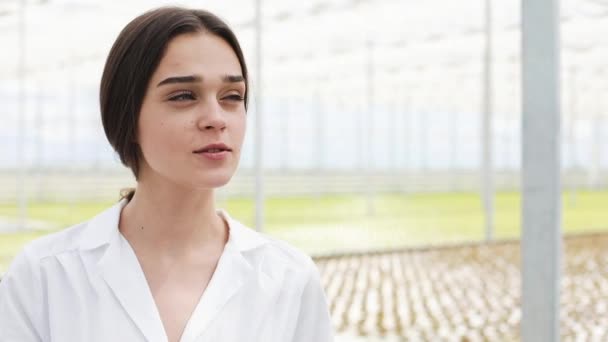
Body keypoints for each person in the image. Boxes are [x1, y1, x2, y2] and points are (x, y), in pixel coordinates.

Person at [0, 7, 333, 342]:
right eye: (184, 96)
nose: (216, 118)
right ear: (127, 116)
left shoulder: (289, 279)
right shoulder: (44, 277)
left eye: (232, 97)